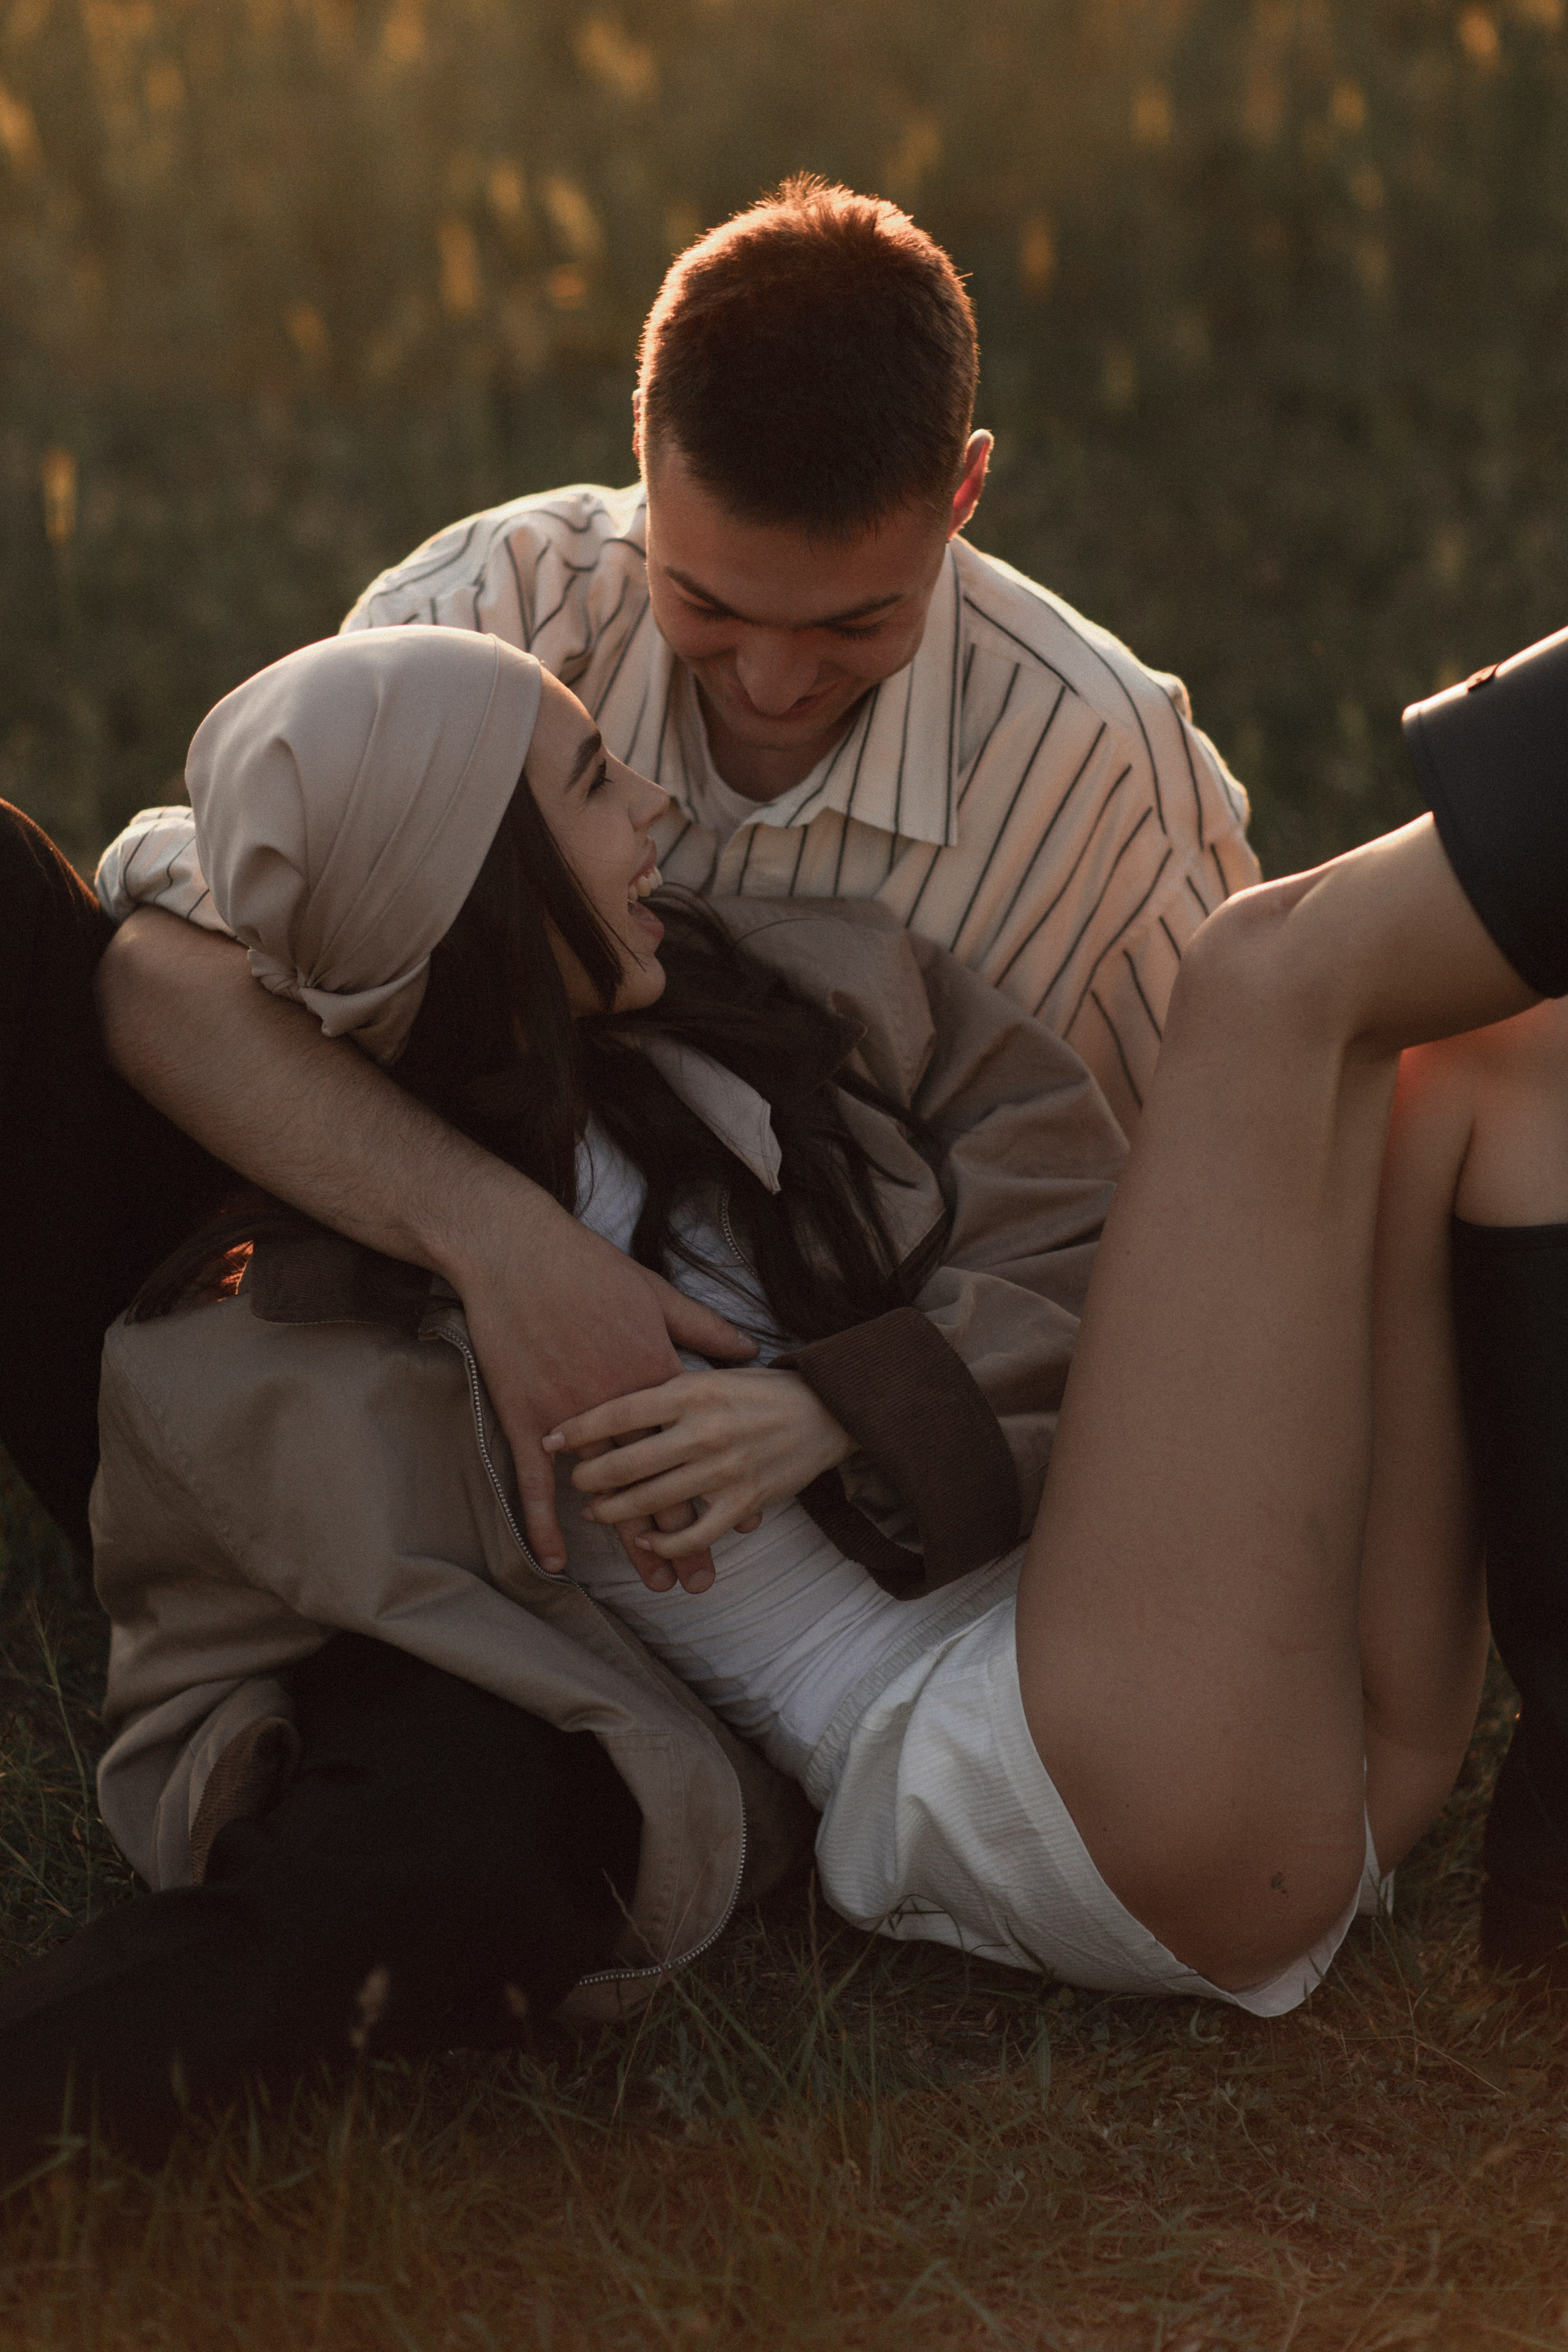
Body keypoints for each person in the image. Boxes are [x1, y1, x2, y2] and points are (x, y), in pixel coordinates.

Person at [0, 617, 1564, 2171]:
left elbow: (178, 866)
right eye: (592, 781)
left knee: (1504, 1052)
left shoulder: (753, 1016)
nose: (653, 806)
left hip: (1323, 1728)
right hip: (1073, 1782)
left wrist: (834, 1410)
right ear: (472, 883)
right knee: (1264, 974)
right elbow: (200, 1642)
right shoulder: (303, 1332)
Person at [85, 175, 1257, 1594]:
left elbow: (1210, 1213)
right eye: (706, 603)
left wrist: (855, 1403)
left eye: (854, 622)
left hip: (879, 1513)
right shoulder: (489, 616)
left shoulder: (1103, 773)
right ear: (641, 446)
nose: (770, 682)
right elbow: (163, 978)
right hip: (445, 1422)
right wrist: (501, 1245)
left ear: (961, 494)